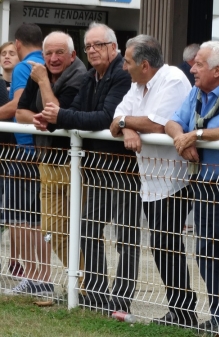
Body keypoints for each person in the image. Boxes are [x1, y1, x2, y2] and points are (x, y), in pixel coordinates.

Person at [40, 22, 141, 314]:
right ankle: (95, 294)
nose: (93, 51)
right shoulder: (91, 76)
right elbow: (78, 110)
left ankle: (121, 301)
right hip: (97, 168)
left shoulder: (122, 73)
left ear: (113, 47)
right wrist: (53, 118)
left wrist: (62, 116)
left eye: (98, 45)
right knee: (87, 228)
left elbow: (104, 117)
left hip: (124, 168)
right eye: (89, 46)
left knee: (126, 237)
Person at [166, 40, 219, 337]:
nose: (192, 69)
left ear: (217, 70)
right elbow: (172, 122)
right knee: (206, 252)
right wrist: (182, 139)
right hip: (204, 183)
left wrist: (196, 135)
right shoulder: (196, 92)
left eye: (199, 64)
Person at [111, 34, 197, 327]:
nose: (124, 67)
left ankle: (184, 311)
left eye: (127, 60)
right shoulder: (138, 84)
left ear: (145, 64)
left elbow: (156, 123)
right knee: (161, 246)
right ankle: (180, 309)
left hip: (175, 179)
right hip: (151, 180)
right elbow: (116, 117)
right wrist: (126, 128)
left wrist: (126, 123)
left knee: (168, 246)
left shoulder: (172, 79)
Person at [16, 31, 87, 291]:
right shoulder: (40, 71)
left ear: (72, 55)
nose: (53, 58)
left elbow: (57, 113)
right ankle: (79, 280)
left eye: (59, 53)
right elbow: (22, 112)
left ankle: (85, 286)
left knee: (82, 229)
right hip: (47, 161)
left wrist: (44, 83)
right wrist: (38, 119)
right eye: (49, 53)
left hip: (76, 164)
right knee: (52, 229)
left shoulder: (79, 77)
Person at [2, 23, 52, 295]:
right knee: (38, 219)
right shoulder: (47, 63)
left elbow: (17, 104)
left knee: (21, 219)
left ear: (18, 44)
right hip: (43, 153)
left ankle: (33, 275)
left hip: (24, 152)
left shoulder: (25, 67)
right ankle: (41, 277)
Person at [0, 40, 22, 279]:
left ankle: (15, 260)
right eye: (3, 54)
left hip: (18, 151)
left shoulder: (22, 84)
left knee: (16, 211)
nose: (7, 57)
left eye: (12, 53)